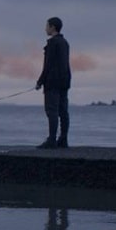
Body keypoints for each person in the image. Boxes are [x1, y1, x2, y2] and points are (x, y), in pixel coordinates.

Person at [35, 17, 71, 149]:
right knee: (63, 111)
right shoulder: (65, 42)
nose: (45, 28)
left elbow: (48, 65)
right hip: (65, 81)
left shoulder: (52, 43)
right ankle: (63, 139)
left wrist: (40, 81)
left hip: (52, 82)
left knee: (52, 111)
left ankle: (51, 140)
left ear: (52, 27)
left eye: (47, 26)